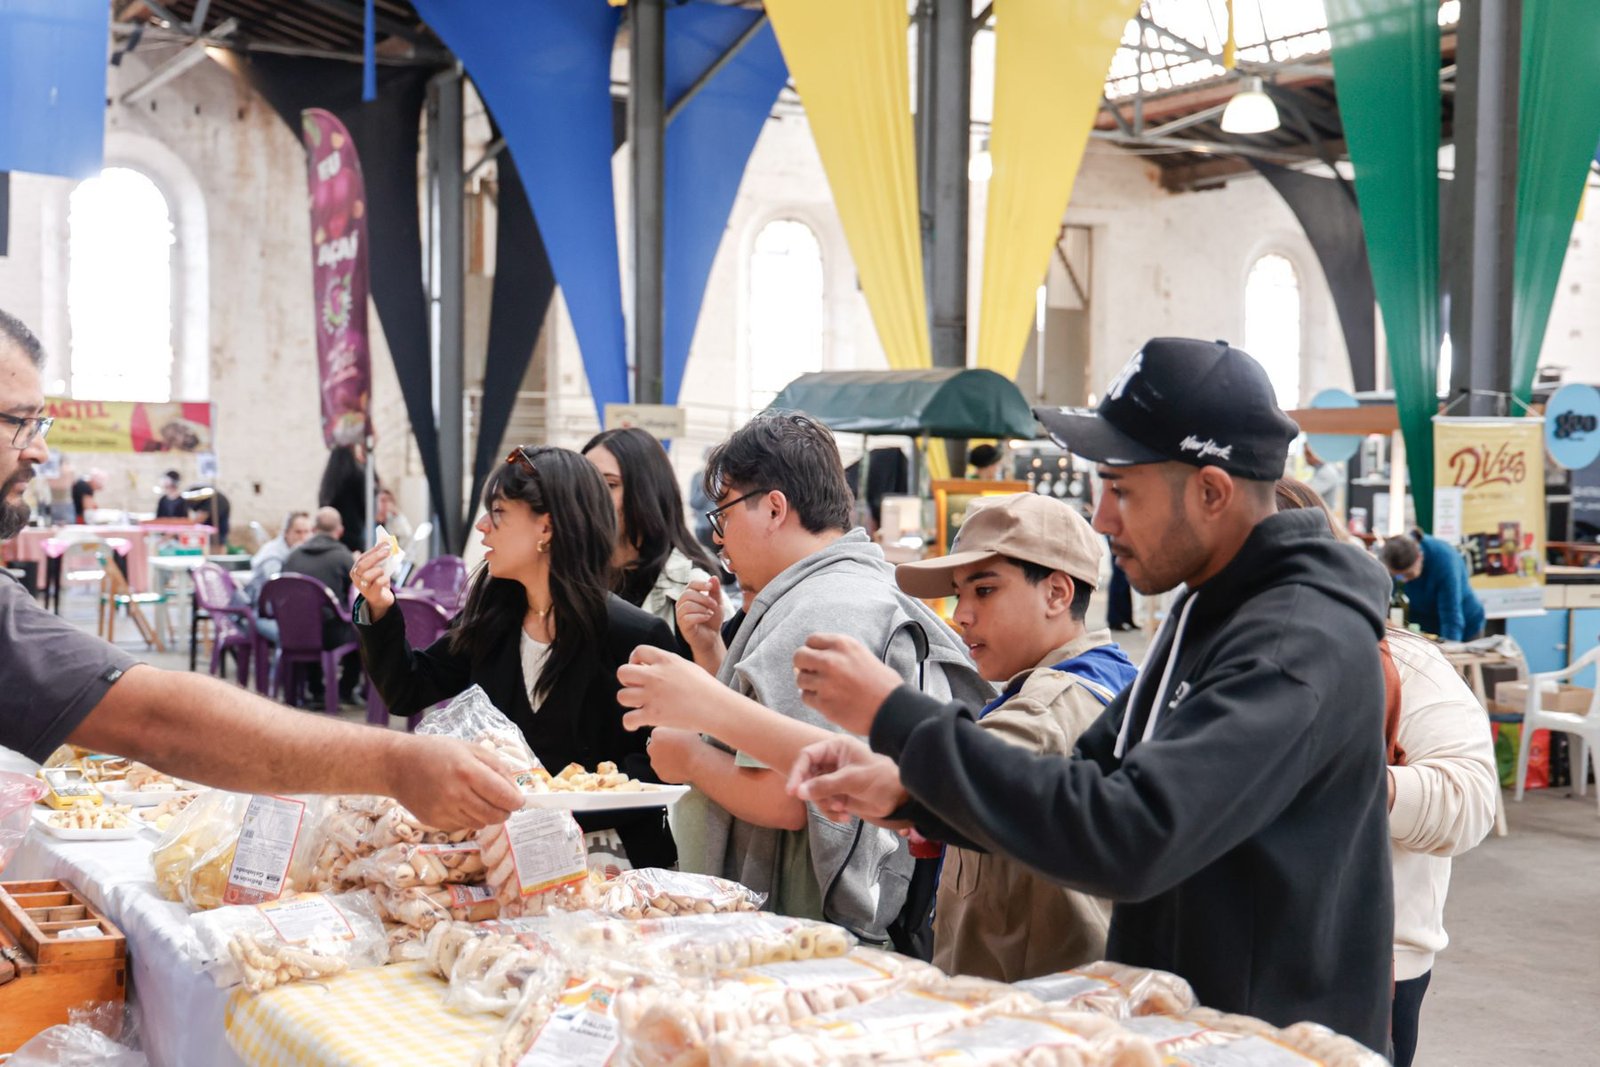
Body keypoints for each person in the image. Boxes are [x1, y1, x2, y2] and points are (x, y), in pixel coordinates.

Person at [785, 338, 1395, 1051]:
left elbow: (1131, 833)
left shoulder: (1294, 645)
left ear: (1211, 490)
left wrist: (898, 716)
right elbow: (1084, 784)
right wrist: (907, 789)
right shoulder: (1212, 611)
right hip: (1185, 1031)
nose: (1102, 518)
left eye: (1123, 488)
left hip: (1264, 1042)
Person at [0, 307, 522, 831]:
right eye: (22, 422)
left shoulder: (601, 625)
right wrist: (396, 762)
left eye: (39, 424)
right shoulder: (484, 617)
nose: (41, 450)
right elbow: (158, 720)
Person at [613, 412, 991, 947]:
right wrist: (711, 654)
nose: (719, 539)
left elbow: (794, 798)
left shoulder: (827, 608)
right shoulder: (839, 588)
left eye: (723, 514)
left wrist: (690, 758)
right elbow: (766, 735)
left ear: (773, 508)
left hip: (804, 932)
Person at [351, 446, 680, 868]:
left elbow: (661, 759)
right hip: (503, 861)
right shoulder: (491, 622)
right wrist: (378, 605)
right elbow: (407, 689)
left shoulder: (635, 636)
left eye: (499, 512)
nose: (483, 527)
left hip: (614, 870)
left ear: (547, 526)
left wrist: (566, 801)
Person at [1276, 478, 1498, 1067]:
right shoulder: (1212, 660)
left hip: (1377, 962)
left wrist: (1342, 783)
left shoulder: (1402, 661)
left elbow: (1471, 798)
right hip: (1243, 953)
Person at [892, 492, 1137, 980]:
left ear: (1057, 594)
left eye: (984, 591)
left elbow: (945, 775)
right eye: (960, 593)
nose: (961, 614)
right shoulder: (1120, 678)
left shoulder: (1048, 705)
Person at [581, 427, 729, 634]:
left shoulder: (694, 588)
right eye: (583, 484)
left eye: (609, 484)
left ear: (645, 492)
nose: (590, 497)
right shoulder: (567, 575)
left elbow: (719, 662)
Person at [281, 507, 360, 705]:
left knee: (311, 618)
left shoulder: (292, 556)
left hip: (291, 632)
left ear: (314, 529)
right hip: (329, 635)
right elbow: (359, 592)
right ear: (339, 531)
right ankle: (345, 691)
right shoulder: (343, 556)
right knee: (362, 632)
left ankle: (316, 690)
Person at [1380, 530, 1486, 642]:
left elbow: (1451, 617)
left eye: (1408, 574)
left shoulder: (1445, 561)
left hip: (1463, 626)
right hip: (1423, 628)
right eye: (1398, 576)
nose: (1403, 580)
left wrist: (1450, 649)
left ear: (1420, 557)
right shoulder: (1390, 559)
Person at [319, 443, 367, 553]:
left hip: (331, 536)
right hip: (354, 535)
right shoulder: (357, 475)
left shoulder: (329, 480)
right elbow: (365, 506)